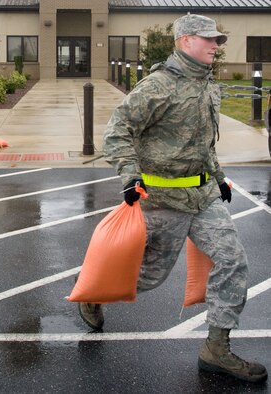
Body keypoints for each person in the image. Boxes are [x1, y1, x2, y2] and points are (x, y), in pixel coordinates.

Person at [77, 14, 268, 383]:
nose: (216, 45)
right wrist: (130, 176)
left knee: (233, 261)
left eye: (217, 40)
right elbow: (117, 133)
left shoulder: (209, 86)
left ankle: (216, 349)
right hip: (163, 199)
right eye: (209, 39)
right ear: (185, 41)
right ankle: (95, 293)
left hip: (204, 197)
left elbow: (203, 141)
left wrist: (219, 177)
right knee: (148, 277)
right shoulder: (157, 86)